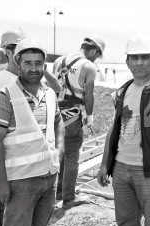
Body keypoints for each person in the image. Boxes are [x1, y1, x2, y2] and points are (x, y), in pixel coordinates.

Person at [0, 28, 61, 226]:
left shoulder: (49, 94)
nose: (33, 68)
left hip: (48, 178)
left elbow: (59, 124)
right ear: (18, 64)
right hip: (21, 182)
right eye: (27, 63)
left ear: (44, 65)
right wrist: (2, 182)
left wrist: (60, 151)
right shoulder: (6, 96)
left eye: (38, 63)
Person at [97, 33, 150, 226]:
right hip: (120, 168)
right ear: (127, 62)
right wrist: (104, 164)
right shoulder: (121, 92)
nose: (140, 62)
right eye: (134, 58)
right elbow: (113, 130)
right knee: (126, 224)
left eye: (145, 57)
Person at [53, 34, 105, 209]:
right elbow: (88, 96)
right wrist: (89, 116)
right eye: (97, 55)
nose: (96, 59)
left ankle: (59, 191)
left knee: (60, 154)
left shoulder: (59, 61)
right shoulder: (88, 66)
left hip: (56, 117)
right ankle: (69, 198)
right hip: (73, 117)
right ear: (93, 50)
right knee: (72, 157)